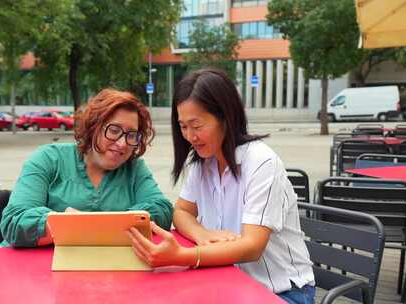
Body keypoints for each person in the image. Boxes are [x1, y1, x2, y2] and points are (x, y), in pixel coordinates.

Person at [128, 68, 315, 304]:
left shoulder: (261, 162)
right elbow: (182, 211)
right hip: (227, 281)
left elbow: (251, 247)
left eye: (196, 125)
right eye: (183, 126)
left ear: (225, 117)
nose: (189, 136)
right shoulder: (202, 163)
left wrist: (183, 255)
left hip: (281, 292)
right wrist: (202, 234)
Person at [1, 89, 173, 247]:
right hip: (35, 270)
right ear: (93, 127)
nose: (122, 144)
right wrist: (65, 224)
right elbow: (14, 221)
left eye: (132, 135)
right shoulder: (48, 158)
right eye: (114, 130)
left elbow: (162, 209)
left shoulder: (133, 168)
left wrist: (94, 226)